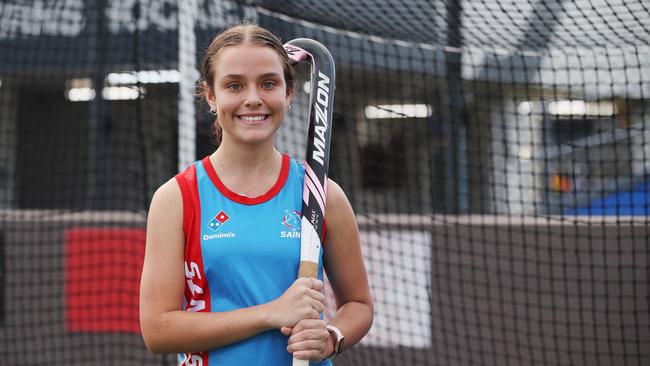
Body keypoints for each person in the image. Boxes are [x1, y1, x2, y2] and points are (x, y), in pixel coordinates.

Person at [139, 23, 373, 366]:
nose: (253, 98)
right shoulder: (177, 198)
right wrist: (270, 313)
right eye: (234, 85)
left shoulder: (321, 195)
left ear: (288, 92)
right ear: (210, 94)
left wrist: (331, 337)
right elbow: (158, 330)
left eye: (268, 83)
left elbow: (359, 305)